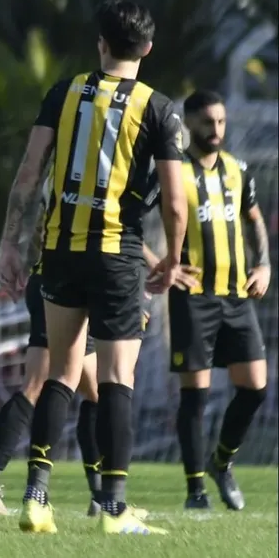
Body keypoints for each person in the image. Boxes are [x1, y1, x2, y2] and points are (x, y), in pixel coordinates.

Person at [0, 0, 187, 535]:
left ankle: (36, 498)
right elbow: (174, 203)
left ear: (100, 43)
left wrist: (11, 245)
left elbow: (29, 175)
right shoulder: (160, 109)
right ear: (147, 49)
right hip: (118, 256)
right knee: (116, 378)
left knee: (60, 371)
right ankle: (113, 508)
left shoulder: (64, 92)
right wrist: (171, 258)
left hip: (60, 249)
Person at [0, 169, 159, 516]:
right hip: (63, 282)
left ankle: (100, 497)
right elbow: (106, 216)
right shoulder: (83, 167)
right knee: (40, 383)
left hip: (51, 277)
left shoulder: (68, 162)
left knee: (97, 391)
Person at [166, 90, 270, 510]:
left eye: (222, 122)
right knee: (197, 396)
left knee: (255, 388)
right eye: (208, 122)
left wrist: (263, 265)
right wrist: (163, 265)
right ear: (189, 123)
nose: (216, 130)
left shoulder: (237, 170)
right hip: (193, 297)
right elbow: (130, 224)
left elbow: (254, 220)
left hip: (237, 296)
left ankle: (222, 462)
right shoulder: (173, 173)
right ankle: (195, 491)